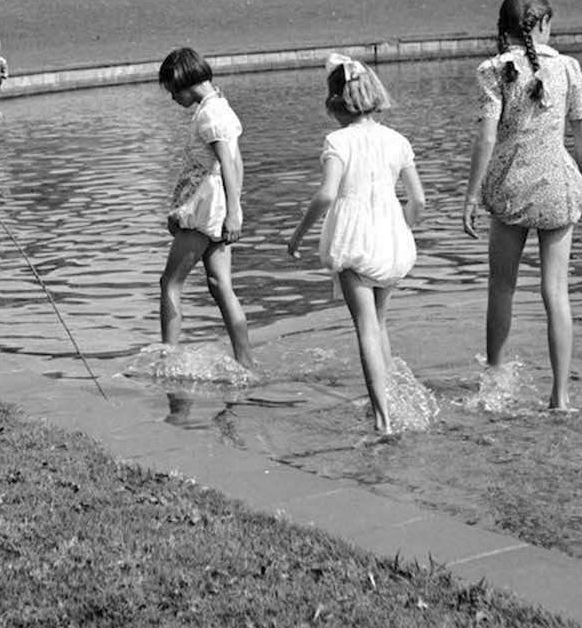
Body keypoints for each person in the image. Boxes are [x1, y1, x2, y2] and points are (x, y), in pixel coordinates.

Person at [461, 0, 582, 412]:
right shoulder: (569, 68)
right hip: (557, 186)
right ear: (543, 24)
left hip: (511, 187)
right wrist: (578, 180)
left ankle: (495, 383)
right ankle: (561, 396)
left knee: (502, 287)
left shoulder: (494, 71)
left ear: (506, 29)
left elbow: (486, 136)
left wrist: (471, 195)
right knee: (556, 293)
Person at [286, 55, 425, 435]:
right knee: (379, 323)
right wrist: (403, 228)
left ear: (336, 102)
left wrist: (299, 235)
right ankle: (389, 399)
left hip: (355, 240)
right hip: (392, 242)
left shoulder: (338, 141)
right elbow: (419, 200)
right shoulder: (398, 140)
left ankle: (382, 420)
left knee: (364, 327)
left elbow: (327, 195)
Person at [157, 46, 254, 369]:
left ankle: (168, 358)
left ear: (184, 82)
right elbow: (237, 163)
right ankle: (245, 360)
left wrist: (233, 212)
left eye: (173, 91)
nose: (173, 99)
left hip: (206, 204)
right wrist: (233, 206)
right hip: (218, 203)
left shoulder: (211, 114)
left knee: (170, 281)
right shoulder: (220, 107)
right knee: (219, 284)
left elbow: (227, 162)